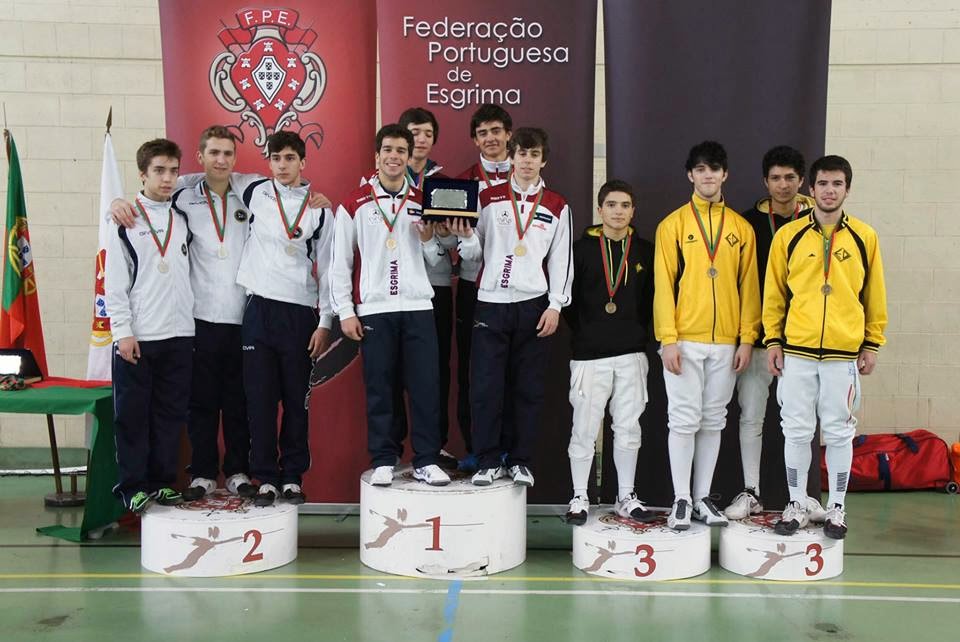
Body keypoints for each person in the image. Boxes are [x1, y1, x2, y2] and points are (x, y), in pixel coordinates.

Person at [764, 155, 887, 540]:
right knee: (796, 431)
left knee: (838, 432)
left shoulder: (865, 237)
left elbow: (874, 294)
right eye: (823, 184)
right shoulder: (789, 236)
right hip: (797, 352)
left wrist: (872, 342)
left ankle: (836, 506)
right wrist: (773, 339)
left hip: (842, 356)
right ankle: (798, 502)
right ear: (810, 189)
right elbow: (774, 294)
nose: (829, 190)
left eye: (837, 184)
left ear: (847, 189)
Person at [330, 124, 451, 487]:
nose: (394, 156)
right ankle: (384, 457)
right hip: (376, 309)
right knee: (380, 386)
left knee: (426, 386)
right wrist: (346, 311)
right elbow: (340, 263)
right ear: (377, 156)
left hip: (417, 307)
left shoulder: (424, 201)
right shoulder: (353, 204)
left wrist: (430, 240)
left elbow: (438, 261)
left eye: (401, 150)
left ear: (409, 156)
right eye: (388, 150)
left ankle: (426, 459)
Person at [456, 126, 573, 487]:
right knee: (486, 387)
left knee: (528, 388)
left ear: (543, 159)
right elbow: (475, 257)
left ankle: (520, 459)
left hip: (534, 307)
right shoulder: (487, 198)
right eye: (521, 154)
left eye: (534, 154)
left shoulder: (556, 204)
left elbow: (561, 260)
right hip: (490, 303)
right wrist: (465, 238)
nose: (526, 161)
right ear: (513, 157)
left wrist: (555, 305)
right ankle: (488, 459)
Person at [653, 140, 760, 530]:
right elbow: (663, 285)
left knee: (713, 421)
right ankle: (681, 497)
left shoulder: (740, 229)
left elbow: (750, 287)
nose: (708, 175)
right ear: (690, 175)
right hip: (683, 339)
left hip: (726, 343)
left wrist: (747, 337)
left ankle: (702, 498)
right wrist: (667, 338)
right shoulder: (674, 225)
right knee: (682, 420)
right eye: (701, 169)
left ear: (725, 174)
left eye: (714, 168)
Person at [724, 145, 824, 522]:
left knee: (800, 421)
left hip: (800, 340)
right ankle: (751, 491)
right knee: (751, 415)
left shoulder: (817, 223)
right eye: (776, 178)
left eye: (790, 178)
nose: (783, 185)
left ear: (802, 182)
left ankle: (800, 497)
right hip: (758, 338)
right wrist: (746, 336)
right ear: (765, 182)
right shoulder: (746, 223)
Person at [235, 130, 334, 507]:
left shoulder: (321, 210)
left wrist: (325, 322)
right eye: (276, 158)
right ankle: (265, 476)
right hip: (258, 308)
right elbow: (209, 175)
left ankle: (292, 476)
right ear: (269, 161)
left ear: (302, 162)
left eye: (290, 158)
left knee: (296, 400)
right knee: (259, 400)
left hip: (299, 312)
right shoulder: (254, 190)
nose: (282, 165)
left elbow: (327, 269)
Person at [105, 138, 193, 513]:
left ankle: (160, 481)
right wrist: (122, 332)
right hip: (139, 338)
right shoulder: (125, 221)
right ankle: (132, 486)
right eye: (159, 170)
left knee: (170, 414)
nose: (168, 178)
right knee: (133, 417)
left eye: (173, 170)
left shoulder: (181, 218)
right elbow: (113, 281)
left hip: (179, 334)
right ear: (142, 174)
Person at [562, 180, 656, 525]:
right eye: (612, 205)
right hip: (589, 354)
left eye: (625, 205)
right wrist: (589, 331)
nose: (618, 211)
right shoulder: (579, 250)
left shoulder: (645, 251)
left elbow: (651, 302)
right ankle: (579, 495)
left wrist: (634, 332)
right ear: (599, 209)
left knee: (629, 428)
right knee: (584, 428)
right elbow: (567, 301)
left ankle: (625, 495)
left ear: (633, 211)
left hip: (631, 353)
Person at [454, 104, 514, 471]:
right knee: (473, 373)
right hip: (473, 288)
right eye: (482, 133)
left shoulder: (527, 175)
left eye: (496, 131)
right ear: (474, 139)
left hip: (517, 291)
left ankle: (508, 449)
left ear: (509, 133)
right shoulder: (462, 183)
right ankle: (477, 448)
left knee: (513, 373)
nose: (490, 138)